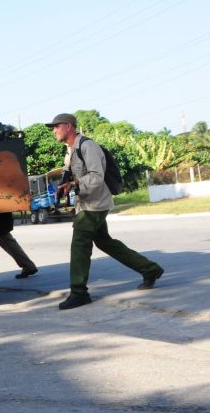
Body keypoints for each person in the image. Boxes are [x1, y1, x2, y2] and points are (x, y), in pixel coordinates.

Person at [47, 113, 164, 310]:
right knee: (105, 242)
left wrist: (76, 183)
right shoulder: (70, 150)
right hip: (87, 203)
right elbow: (75, 174)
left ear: (69, 126)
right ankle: (150, 269)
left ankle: (79, 292)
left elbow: (96, 176)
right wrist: (67, 185)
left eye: (56, 126)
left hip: (95, 204)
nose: (54, 130)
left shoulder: (87, 146)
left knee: (80, 245)